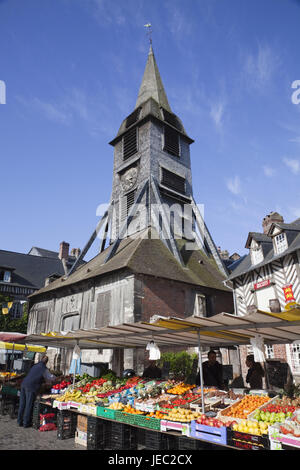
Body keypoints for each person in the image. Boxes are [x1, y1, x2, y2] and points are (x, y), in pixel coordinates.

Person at [17, 354, 57, 428]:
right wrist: (56, 378)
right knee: (28, 404)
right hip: (31, 387)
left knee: (22, 404)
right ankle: (26, 423)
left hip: (24, 384)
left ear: (41, 360)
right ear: (46, 362)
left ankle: (19, 421)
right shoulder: (43, 369)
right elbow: (50, 377)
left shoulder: (35, 366)